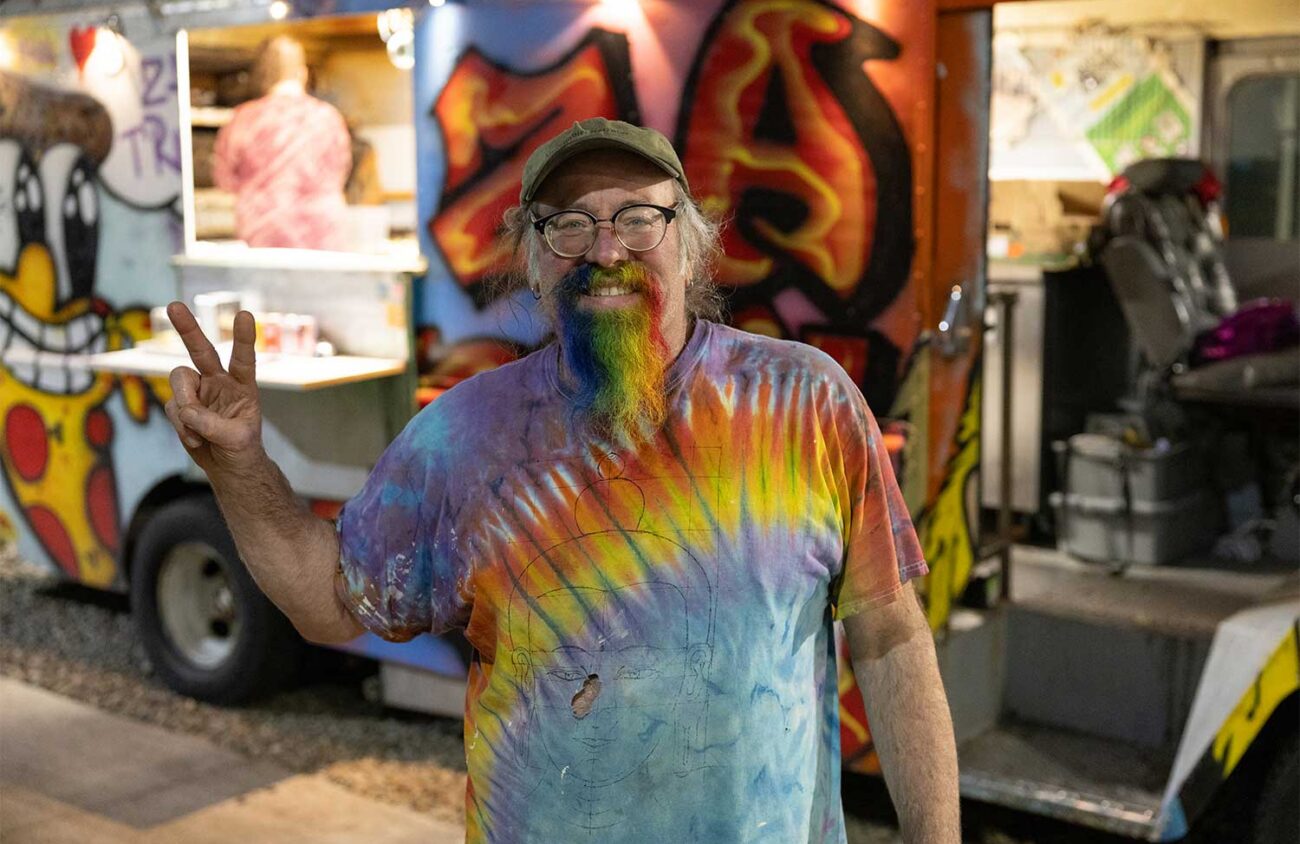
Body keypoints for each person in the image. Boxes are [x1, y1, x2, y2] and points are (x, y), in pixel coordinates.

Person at [164, 118, 961, 842]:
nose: (606, 250)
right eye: (569, 224)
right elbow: (331, 600)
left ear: (689, 242)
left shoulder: (805, 403)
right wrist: (241, 467)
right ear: (534, 260)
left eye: (639, 218)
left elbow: (889, 636)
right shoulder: (466, 439)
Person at [212, 36, 351, 249]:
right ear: (303, 73)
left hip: (264, 236)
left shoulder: (243, 119)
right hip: (322, 237)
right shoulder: (328, 117)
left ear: (262, 75)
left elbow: (225, 180)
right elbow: (342, 171)